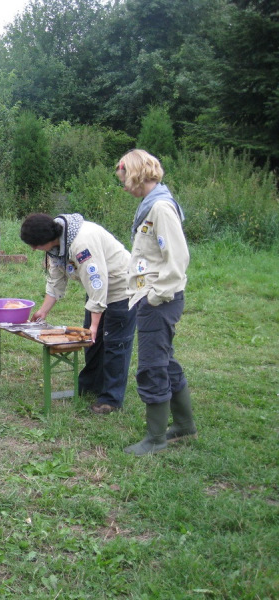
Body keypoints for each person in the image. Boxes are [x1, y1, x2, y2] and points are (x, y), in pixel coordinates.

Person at [116, 149, 197, 455]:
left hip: (159, 300)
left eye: (124, 178)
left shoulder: (161, 207)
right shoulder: (150, 205)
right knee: (166, 360)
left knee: (151, 367)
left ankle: (155, 439)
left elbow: (177, 259)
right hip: (150, 297)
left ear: (135, 173)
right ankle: (185, 427)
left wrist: (154, 295)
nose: (123, 186)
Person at [20, 213, 136, 414]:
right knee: (91, 343)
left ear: (47, 239)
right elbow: (56, 280)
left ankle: (111, 399)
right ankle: (90, 386)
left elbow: (97, 281)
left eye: (35, 245)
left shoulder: (82, 243)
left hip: (122, 289)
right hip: (98, 293)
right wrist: (43, 311)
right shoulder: (57, 248)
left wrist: (93, 325)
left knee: (114, 344)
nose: (33, 249)